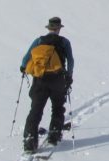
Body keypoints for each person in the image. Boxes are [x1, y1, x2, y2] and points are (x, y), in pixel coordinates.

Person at [20, 17, 74, 152]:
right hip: (58, 79)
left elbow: (26, 58)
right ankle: (54, 136)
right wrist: (69, 75)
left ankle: (29, 141)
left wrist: (23, 68)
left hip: (40, 80)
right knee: (57, 107)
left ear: (49, 28)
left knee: (36, 109)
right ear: (59, 29)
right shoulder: (64, 42)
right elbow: (71, 61)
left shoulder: (39, 41)